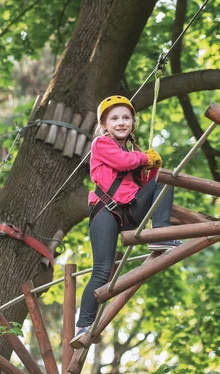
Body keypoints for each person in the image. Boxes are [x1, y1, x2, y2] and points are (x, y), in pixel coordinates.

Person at [73, 95, 181, 342]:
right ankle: (83, 325)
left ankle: (161, 234)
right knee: (102, 272)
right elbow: (122, 163)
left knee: (162, 179)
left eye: (125, 118)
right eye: (114, 118)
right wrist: (145, 159)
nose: (120, 122)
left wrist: (153, 167)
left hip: (130, 210)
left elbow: (142, 183)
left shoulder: (134, 151)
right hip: (106, 212)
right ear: (105, 124)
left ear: (133, 122)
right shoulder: (101, 143)